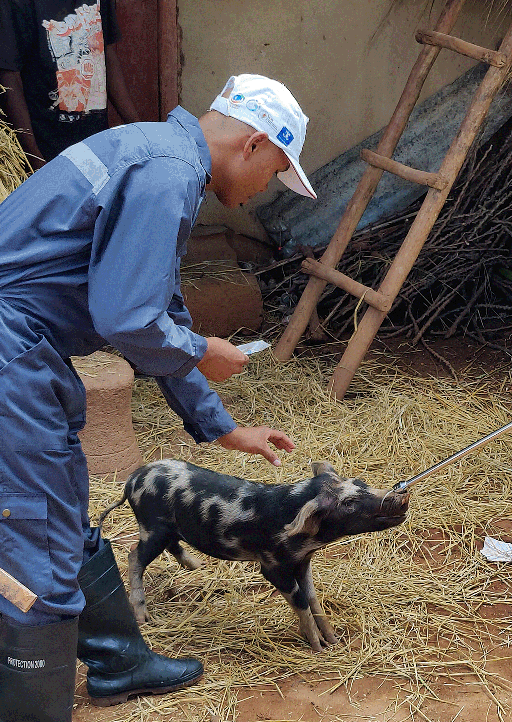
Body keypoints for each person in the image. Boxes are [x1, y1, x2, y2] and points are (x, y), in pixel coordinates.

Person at [0, 73, 317, 720]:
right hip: (10, 352)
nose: (261, 192)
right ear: (253, 143)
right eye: (273, 174)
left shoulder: (151, 152)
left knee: (54, 511)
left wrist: (224, 429)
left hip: (23, 352)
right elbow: (129, 320)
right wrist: (205, 350)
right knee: (39, 540)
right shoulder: (168, 174)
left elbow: (159, 313)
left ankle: (118, 662)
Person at [0, 0, 141, 170]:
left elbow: (106, 56)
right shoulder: (15, 4)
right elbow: (9, 79)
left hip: (96, 148)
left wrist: (139, 129)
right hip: (46, 149)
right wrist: (35, 161)